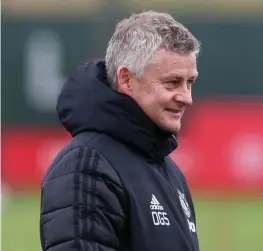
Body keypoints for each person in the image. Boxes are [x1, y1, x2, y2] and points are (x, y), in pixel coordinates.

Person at [40, 11, 201, 251]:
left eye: (190, 83)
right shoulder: (86, 165)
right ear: (126, 79)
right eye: (172, 82)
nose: (186, 98)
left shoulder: (168, 169)